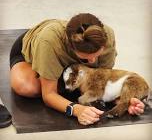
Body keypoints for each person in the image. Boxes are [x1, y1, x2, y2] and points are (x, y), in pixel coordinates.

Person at [9, 13, 145, 126]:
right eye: (85, 59)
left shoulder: (107, 36)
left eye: (96, 57)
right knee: (28, 87)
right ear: (72, 50)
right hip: (33, 47)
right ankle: (55, 74)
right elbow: (48, 95)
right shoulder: (49, 42)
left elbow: (102, 84)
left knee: (86, 84)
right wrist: (75, 109)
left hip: (74, 67)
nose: (92, 62)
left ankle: (62, 77)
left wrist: (124, 101)